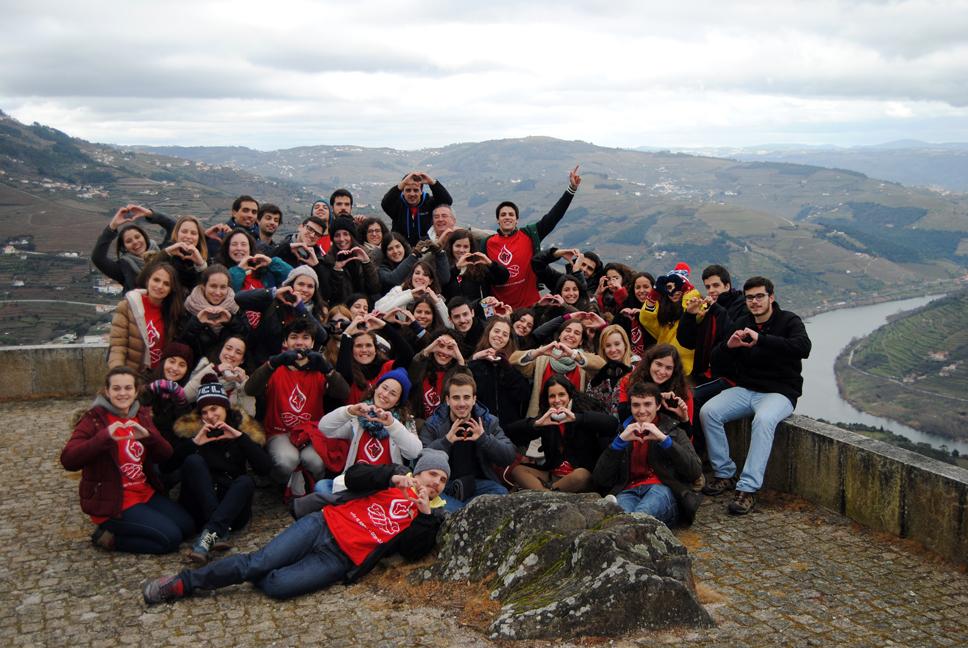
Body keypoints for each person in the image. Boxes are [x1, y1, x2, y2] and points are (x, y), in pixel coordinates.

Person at [142, 450, 450, 604]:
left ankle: (261, 567)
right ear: (419, 472)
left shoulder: (431, 516)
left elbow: (411, 552)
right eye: (432, 474)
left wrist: (422, 516)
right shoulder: (394, 478)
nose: (435, 482)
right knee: (257, 562)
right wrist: (389, 476)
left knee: (278, 587)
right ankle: (184, 583)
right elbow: (354, 477)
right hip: (324, 525)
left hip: (341, 558)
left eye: (442, 480)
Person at [700, 276, 811, 515]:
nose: (755, 301)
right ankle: (724, 473)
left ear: (771, 297)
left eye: (760, 296)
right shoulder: (741, 322)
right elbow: (717, 360)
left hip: (780, 392)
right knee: (709, 412)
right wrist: (728, 346)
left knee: (763, 420)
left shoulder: (789, 320)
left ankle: (748, 489)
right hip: (746, 389)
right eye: (750, 297)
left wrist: (761, 339)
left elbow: (803, 348)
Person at [61, 367, 194, 554]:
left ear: (136, 391)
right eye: (116, 389)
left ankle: (138, 525)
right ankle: (108, 538)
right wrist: (104, 437)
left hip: (143, 492)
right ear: (107, 391)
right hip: (113, 501)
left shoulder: (140, 415)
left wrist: (148, 437)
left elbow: (165, 454)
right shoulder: (94, 419)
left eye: (127, 388)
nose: (122, 393)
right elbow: (68, 460)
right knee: (170, 540)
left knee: (187, 527)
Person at [173, 376, 272, 562]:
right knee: (193, 461)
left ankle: (209, 535)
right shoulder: (193, 431)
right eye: (204, 412)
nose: (210, 416)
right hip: (201, 507)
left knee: (246, 481)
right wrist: (194, 443)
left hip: (232, 509)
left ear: (224, 408)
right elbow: (168, 466)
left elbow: (265, 468)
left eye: (214, 409)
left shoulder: (241, 430)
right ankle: (216, 532)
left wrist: (239, 437)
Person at [244, 319, 349, 484]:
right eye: (294, 337)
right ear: (285, 341)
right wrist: (272, 364)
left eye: (306, 337)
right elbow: (250, 389)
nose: (300, 342)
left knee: (315, 461)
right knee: (287, 461)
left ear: (313, 342)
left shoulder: (319, 369)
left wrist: (328, 370)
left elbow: (343, 393)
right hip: (279, 431)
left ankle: (313, 487)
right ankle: (279, 484)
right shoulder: (274, 367)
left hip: (311, 432)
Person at [593, 382, 703, 527]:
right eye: (636, 405)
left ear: (658, 406)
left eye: (647, 404)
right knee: (620, 524)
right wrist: (617, 445)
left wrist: (665, 441)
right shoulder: (624, 432)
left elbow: (694, 471)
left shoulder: (674, 430)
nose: (642, 411)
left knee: (640, 515)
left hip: (662, 489)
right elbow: (600, 479)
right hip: (629, 491)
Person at [312, 368, 422, 495]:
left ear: (398, 401)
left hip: (385, 486)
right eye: (384, 388)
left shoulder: (404, 422)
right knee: (321, 486)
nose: (385, 395)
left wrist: (392, 425)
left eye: (393, 393)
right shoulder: (358, 415)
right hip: (355, 482)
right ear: (376, 388)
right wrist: (349, 411)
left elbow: (415, 452)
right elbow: (325, 428)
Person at [485, 166, 581, 308]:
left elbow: (553, 217)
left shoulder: (529, 234)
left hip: (530, 308)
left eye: (511, 214)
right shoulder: (487, 243)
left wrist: (571, 189)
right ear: (497, 220)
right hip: (500, 310)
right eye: (503, 215)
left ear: (517, 220)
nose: (507, 217)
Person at [418, 372, 516, 511]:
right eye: (456, 398)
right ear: (447, 400)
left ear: (474, 399)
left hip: (479, 483)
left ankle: (467, 509)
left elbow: (508, 456)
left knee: (501, 496)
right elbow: (421, 460)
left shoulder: (488, 421)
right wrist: (446, 442)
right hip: (443, 486)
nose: (462, 403)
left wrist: (484, 439)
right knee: (454, 512)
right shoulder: (433, 424)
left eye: (467, 397)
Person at [506, 375, 617, 493]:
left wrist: (577, 418)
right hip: (552, 476)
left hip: (578, 477)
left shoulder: (583, 414)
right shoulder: (546, 419)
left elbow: (612, 424)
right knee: (517, 471)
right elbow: (509, 432)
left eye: (561, 395)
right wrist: (536, 423)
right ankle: (548, 494)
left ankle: (546, 492)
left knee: (581, 476)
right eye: (552, 396)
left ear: (570, 395)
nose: (557, 400)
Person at [511, 315, 606, 417]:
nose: (571, 335)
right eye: (568, 330)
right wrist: (539, 351)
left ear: (581, 341)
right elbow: (513, 360)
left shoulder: (583, 359)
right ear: (560, 335)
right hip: (542, 418)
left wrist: (573, 355)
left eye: (577, 333)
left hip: (574, 419)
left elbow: (602, 365)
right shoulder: (543, 357)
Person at [235, 266, 328, 368]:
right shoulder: (273, 302)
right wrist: (272, 293)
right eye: (301, 284)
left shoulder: (315, 311)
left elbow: (322, 336)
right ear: (291, 285)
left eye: (310, 286)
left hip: (298, 369)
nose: (305, 289)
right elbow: (239, 298)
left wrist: (300, 308)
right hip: (266, 365)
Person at [108, 262, 184, 373]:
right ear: (148, 280)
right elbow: (118, 345)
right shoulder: (128, 307)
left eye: (166, 284)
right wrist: (118, 373)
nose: (159, 286)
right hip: (132, 375)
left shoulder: (173, 312)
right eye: (156, 280)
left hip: (160, 376)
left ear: (171, 289)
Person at [91, 204, 175, 291]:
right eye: (128, 241)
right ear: (124, 248)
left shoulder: (163, 253)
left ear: (144, 237)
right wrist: (113, 225)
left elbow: (174, 227)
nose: (135, 242)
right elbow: (98, 258)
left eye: (137, 237)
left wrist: (149, 214)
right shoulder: (124, 269)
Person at [637, 262, 701, 375]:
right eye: (669, 288)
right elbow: (646, 319)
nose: (674, 291)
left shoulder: (698, 304)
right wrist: (653, 296)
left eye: (678, 286)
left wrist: (688, 291)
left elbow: (691, 313)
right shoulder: (664, 312)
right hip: (662, 366)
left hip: (685, 369)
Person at [179, 264, 249, 363]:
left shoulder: (236, 306)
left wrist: (231, 321)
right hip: (197, 369)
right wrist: (197, 322)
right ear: (203, 286)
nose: (218, 292)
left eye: (223, 287)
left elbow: (247, 339)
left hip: (229, 369)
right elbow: (181, 344)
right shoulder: (189, 307)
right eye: (213, 286)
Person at [467, 317, 530, 428]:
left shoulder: (514, 363)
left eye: (505, 334)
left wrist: (507, 367)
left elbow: (523, 395)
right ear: (488, 333)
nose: (500, 336)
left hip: (509, 429)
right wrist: (474, 358)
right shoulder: (475, 362)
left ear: (508, 340)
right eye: (496, 331)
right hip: (480, 427)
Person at [617, 343, 692, 424]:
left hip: (668, 435)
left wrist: (684, 417)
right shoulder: (629, 380)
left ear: (674, 371)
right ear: (649, 363)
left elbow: (689, 435)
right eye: (658, 364)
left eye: (668, 368)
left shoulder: (683, 391)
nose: (662, 371)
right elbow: (623, 417)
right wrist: (656, 397)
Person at [442, 228, 510, 316]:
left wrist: (490, 264)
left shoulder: (479, 265)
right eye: (458, 246)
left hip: (483, 314)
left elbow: (503, 278)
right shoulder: (444, 265)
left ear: (471, 248)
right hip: (457, 316)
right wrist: (456, 268)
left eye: (466, 247)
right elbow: (442, 286)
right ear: (451, 246)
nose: (462, 250)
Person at [184, 335, 256, 417]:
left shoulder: (243, 380)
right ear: (221, 350)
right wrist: (215, 370)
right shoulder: (204, 366)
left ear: (242, 360)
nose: (232, 354)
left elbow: (249, 416)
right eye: (228, 348)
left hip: (229, 427)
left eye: (238, 352)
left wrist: (244, 385)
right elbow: (185, 396)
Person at [381, 171, 453, 246]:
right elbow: (385, 203)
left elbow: (447, 202)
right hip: (401, 251)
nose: (412, 194)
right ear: (403, 191)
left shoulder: (429, 203)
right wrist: (401, 185)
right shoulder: (397, 205)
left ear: (421, 191)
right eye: (408, 190)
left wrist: (432, 183)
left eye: (416, 190)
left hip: (426, 249)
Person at [586, 324, 636, 418]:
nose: (613, 350)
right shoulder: (599, 370)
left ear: (625, 344)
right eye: (608, 345)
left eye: (617, 344)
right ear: (603, 348)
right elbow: (590, 401)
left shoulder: (637, 369)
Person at [158, 215, 209, 290]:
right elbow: (146, 277)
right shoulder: (166, 255)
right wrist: (166, 253)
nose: (188, 236)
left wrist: (201, 266)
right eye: (184, 231)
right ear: (177, 233)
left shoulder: (206, 258)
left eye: (193, 233)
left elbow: (206, 289)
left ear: (199, 237)